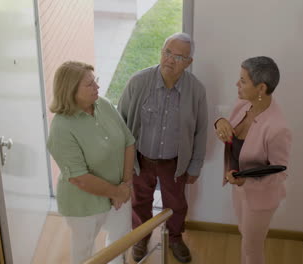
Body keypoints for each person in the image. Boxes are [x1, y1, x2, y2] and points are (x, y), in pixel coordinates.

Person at [118, 32, 208, 263]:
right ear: (161, 51)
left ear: (188, 63)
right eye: (167, 52)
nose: (170, 59)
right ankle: (141, 237)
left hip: (174, 162)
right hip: (141, 158)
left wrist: (195, 166)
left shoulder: (196, 90)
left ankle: (175, 238)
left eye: (179, 57)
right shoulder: (138, 82)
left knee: (176, 204)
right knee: (140, 201)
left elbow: (200, 130)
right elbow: (121, 122)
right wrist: (123, 162)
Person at [47, 61, 135, 264]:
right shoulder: (61, 128)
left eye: (95, 81)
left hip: (121, 190)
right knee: (84, 251)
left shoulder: (102, 104)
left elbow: (128, 142)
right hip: (83, 202)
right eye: (89, 84)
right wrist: (117, 192)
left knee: (121, 240)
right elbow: (80, 179)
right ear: (71, 91)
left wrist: (126, 184)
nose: (97, 87)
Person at [214, 56, 292, 264]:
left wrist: (245, 181)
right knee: (244, 234)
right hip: (239, 190)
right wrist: (220, 122)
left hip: (260, 198)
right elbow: (228, 127)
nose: (236, 84)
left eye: (242, 80)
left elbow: (280, 172)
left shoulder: (277, 128)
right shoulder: (243, 104)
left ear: (261, 88)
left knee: (252, 248)